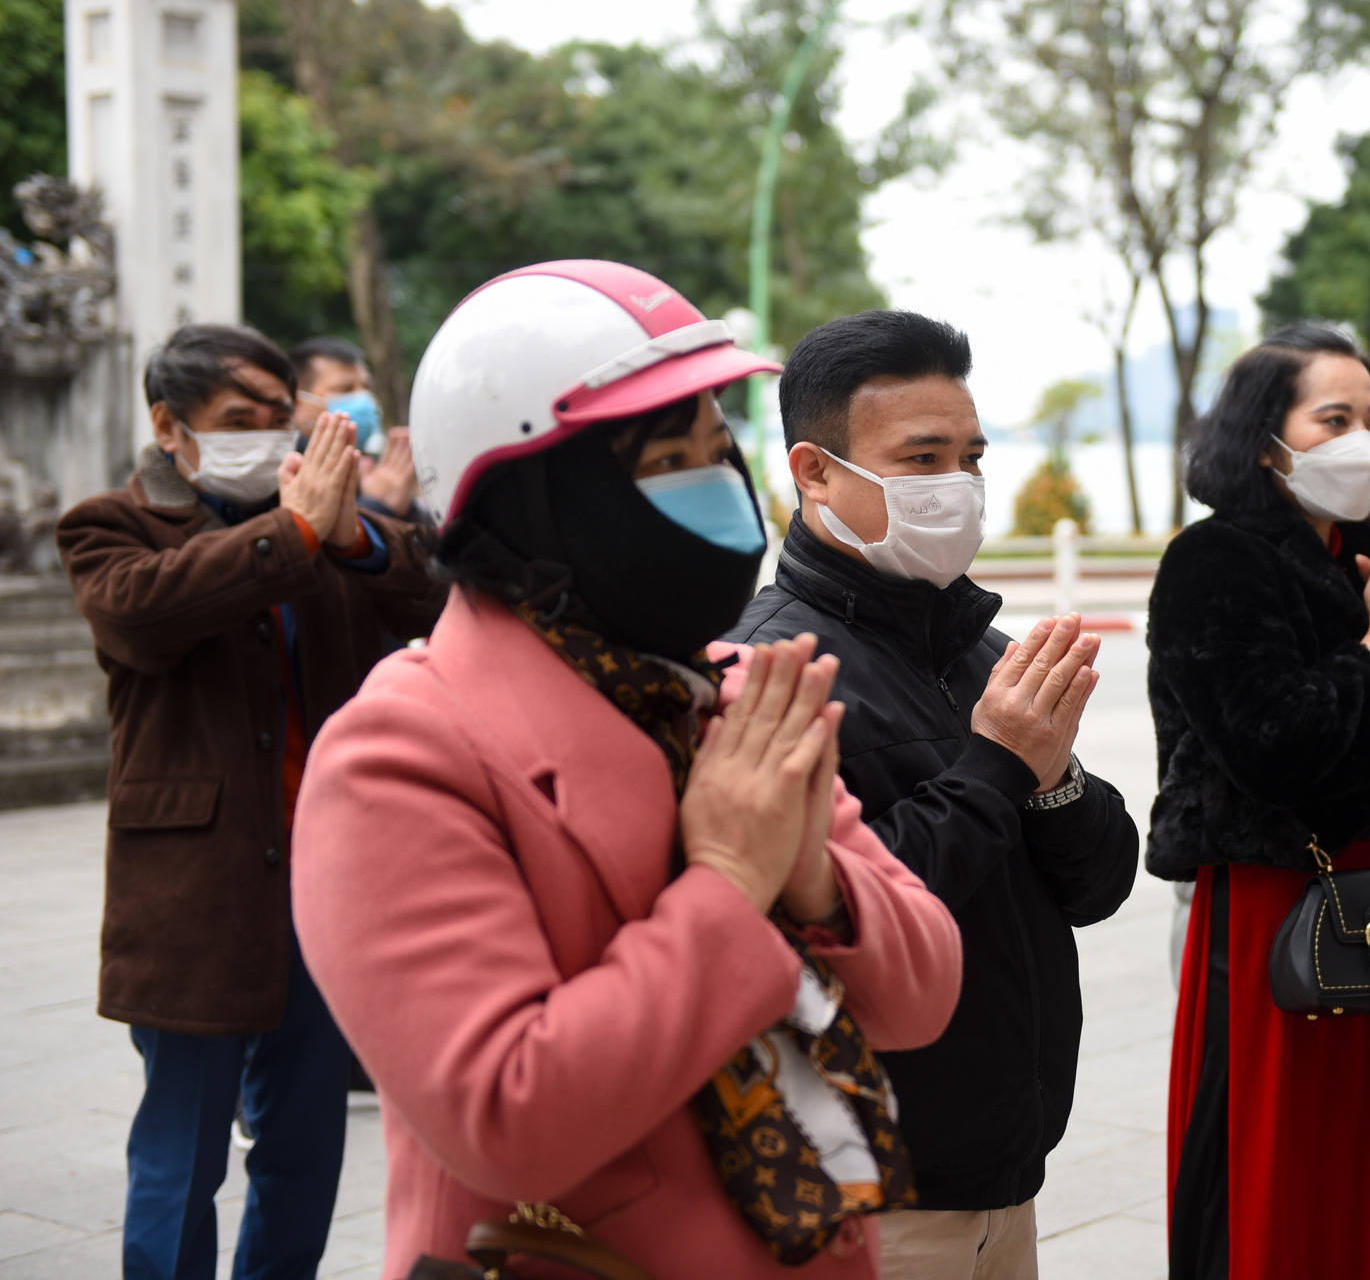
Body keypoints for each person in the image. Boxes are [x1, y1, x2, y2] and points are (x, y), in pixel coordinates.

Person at [290, 261, 963, 1278]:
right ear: (533, 499)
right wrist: (731, 882)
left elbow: (921, 994)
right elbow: (505, 1117)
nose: (721, 486)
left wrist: (812, 877)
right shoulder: (400, 751)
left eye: (716, 447)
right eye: (666, 459)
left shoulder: (731, 689)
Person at [731, 309, 1140, 1279]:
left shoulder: (979, 652)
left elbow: (1097, 885)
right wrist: (998, 765)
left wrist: (1050, 778)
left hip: (1007, 1166)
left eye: (969, 456)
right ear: (814, 471)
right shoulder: (770, 669)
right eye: (920, 459)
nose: (954, 486)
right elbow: (848, 916)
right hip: (874, 1194)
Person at [55, 324, 445, 1280]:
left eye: (280, 417)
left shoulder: (329, 524)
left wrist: (348, 537)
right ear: (169, 425)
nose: (267, 437)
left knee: (307, 1144)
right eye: (239, 420)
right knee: (179, 1153)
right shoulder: (111, 524)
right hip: (196, 893)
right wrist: (296, 532)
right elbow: (144, 614)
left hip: (331, 889)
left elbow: (435, 591)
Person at [1148, 324, 1370, 1280]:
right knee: (1267, 1173)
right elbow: (1275, 749)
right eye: (1334, 418)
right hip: (1268, 905)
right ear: (1268, 441)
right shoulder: (1214, 562)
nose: (1366, 441)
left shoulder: (1368, 554)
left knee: (1361, 1168)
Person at [291, 336, 424, 523]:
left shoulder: (370, 468)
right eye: (345, 389)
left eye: (366, 387)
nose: (363, 398)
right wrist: (377, 506)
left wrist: (405, 508)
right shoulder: (286, 472)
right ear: (300, 405)